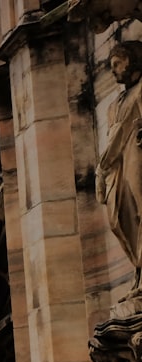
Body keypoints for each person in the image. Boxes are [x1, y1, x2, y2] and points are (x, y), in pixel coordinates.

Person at [97, 41, 142, 297]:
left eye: (117, 64)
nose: (114, 71)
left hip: (134, 154)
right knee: (117, 219)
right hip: (115, 164)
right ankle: (138, 268)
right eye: (112, 65)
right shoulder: (114, 104)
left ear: (132, 61)